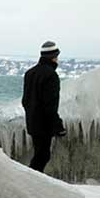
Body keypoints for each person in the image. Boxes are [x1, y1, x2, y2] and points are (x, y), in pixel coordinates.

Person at [22, 41, 68, 173]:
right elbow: (50, 106)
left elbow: (25, 100)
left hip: (32, 121)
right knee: (42, 156)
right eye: (57, 57)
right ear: (54, 57)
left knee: (39, 154)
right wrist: (58, 126)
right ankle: (31, 182)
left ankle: (32, 181)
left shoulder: (30, 73)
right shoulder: (51, 75)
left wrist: (31, 115)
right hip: (44, 124)